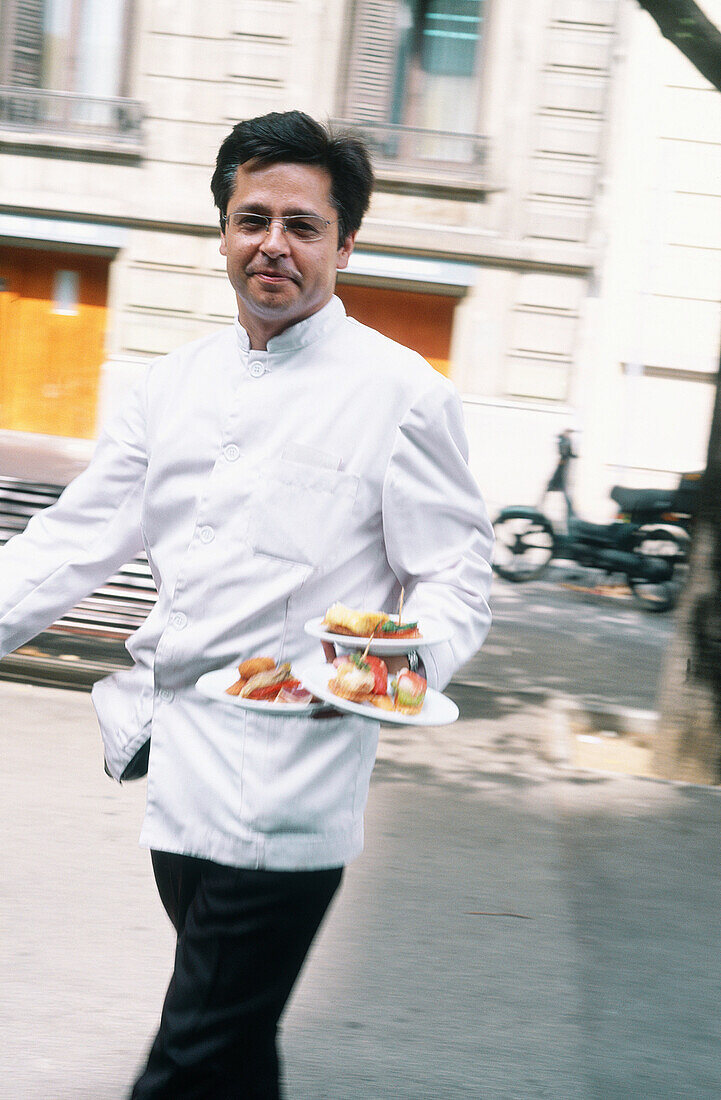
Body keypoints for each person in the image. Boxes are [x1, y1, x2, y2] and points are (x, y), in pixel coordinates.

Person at [0, 110, 493, 1097]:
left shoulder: (400, 394)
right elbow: (71, 541)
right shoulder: (167, 386)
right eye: (252, 217)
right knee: (231, 1043)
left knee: (189, 1056)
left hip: (288, 780)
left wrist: (366, 676)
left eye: (302, 225)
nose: (274, 242)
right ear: (222, 232)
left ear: (344, 243)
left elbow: (457, 583)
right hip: (172, 763)